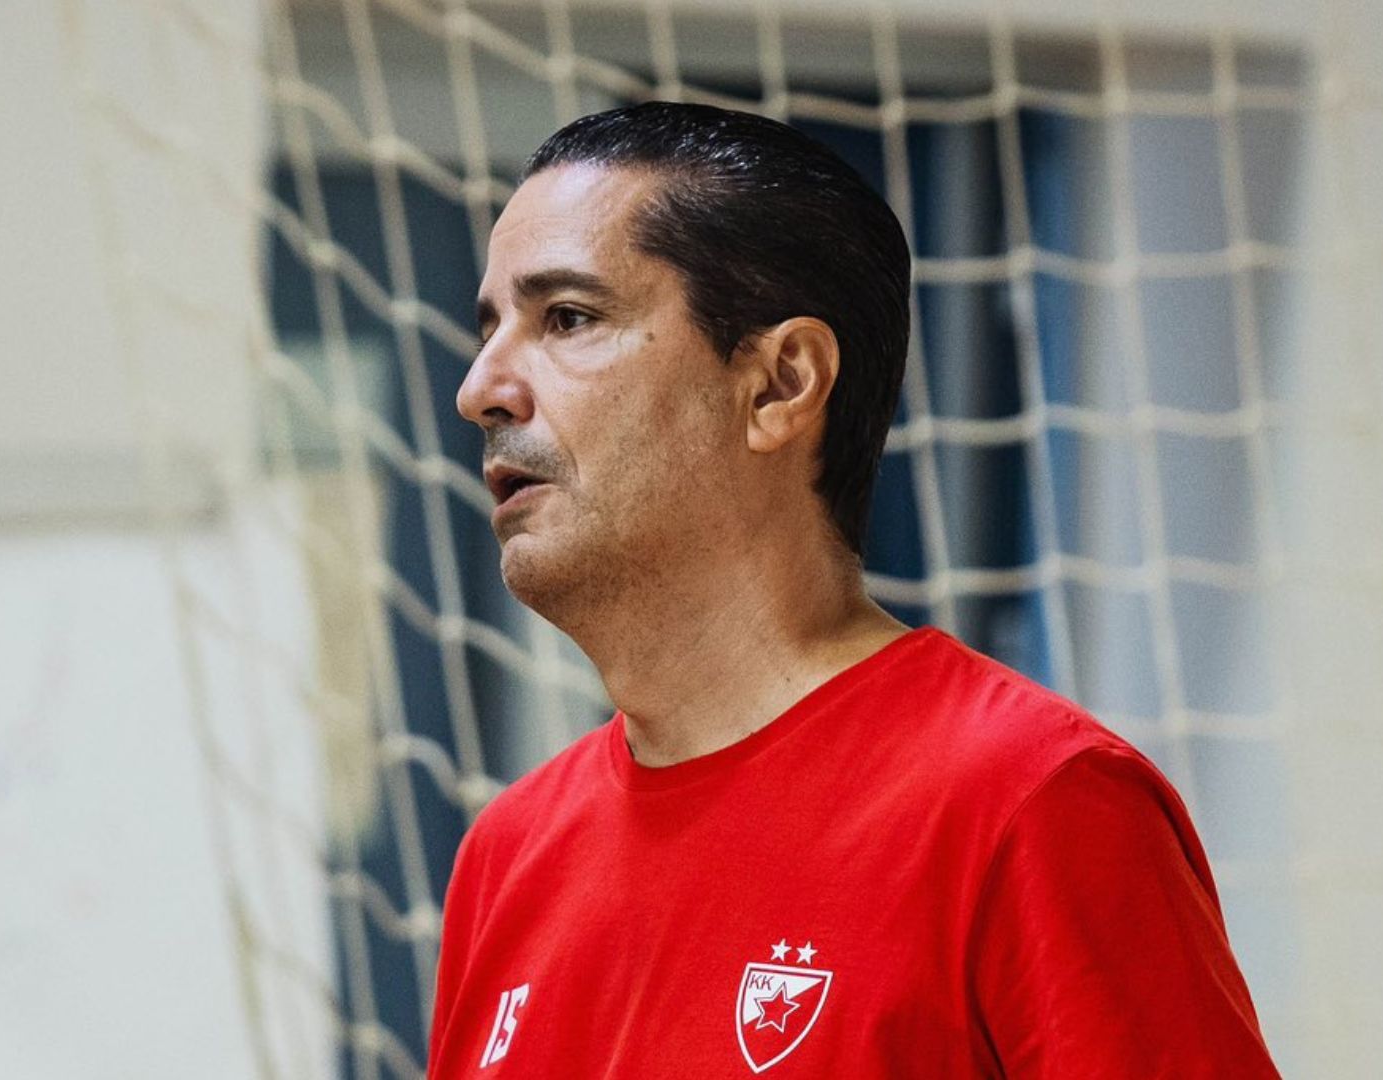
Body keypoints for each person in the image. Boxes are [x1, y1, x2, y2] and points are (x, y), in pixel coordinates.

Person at [429, 101, 1279, 1078]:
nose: (480, 389)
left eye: (568, 319)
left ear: (780, 385)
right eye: (491, 329)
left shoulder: (1034, 802)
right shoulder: (508, 854)